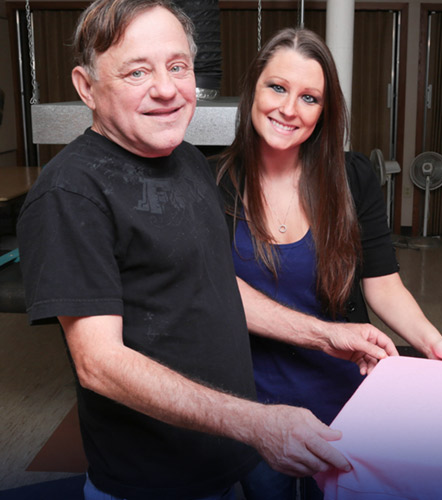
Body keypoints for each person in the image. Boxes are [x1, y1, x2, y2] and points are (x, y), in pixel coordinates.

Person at [16, 2, 397, 499]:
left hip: (223, 463)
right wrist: (258, 423)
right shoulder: (71, 192)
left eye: (178, 67)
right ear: (86, 87)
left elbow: (220, 286)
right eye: (138, 71)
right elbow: (100, 364)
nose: (167, 88)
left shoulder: (189, 163)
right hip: (152, 484)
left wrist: (324, 335)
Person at [215, 27, 442, 499]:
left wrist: (434, 342)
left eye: (309, 98)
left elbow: (383, 284)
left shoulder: (353, 177)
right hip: (253, 404)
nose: (289, 109)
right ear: (252, 89)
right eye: (277, 87)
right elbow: (216, 291)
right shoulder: (209, 183)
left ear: (325, 110)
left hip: (342, 398)